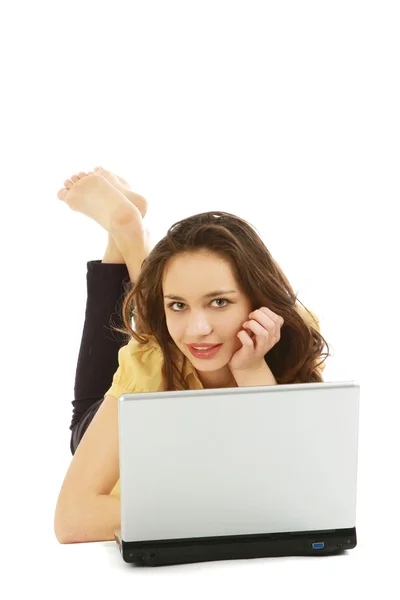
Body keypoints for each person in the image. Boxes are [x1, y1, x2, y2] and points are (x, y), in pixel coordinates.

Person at [54, 167, 330, 544]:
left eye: (220, 301)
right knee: (153, 341)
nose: (199, 328)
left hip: (169, 359)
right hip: (126, 434)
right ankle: (128, 234)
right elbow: (72, 520)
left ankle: (130, 235)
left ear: (257, 299)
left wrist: (251, 370)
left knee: (166, 331)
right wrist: (230, 509)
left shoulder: (292, 339)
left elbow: (290, 487)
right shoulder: (147, 362)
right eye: (178, 304)